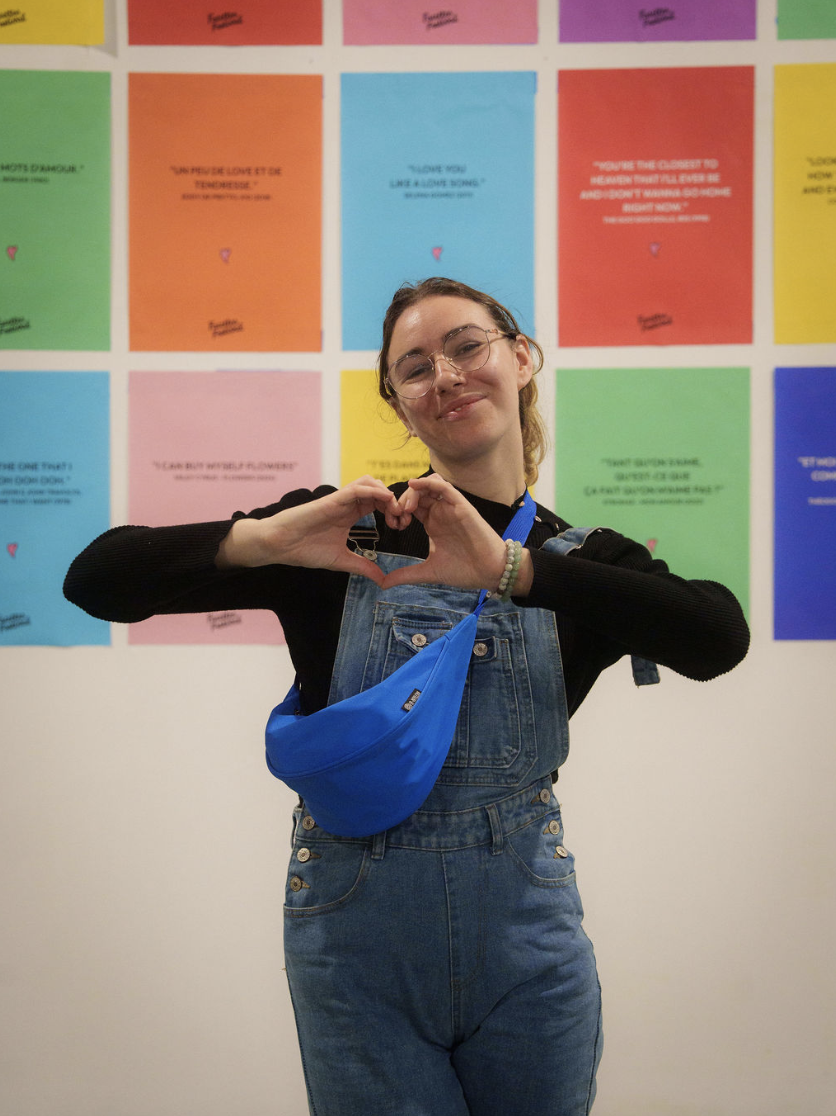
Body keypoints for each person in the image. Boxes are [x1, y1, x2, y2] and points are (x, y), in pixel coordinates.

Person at [64, 277, 749, 1116]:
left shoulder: (577, 561)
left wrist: (513, 570)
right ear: (400, 405)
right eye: (415, 367)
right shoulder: (346, 534)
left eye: (468, 346)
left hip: (527, 946)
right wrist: (266, 538)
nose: (448, 375)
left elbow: (718, 638)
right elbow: (96, 579)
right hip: (357, 941)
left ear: (521, 358)